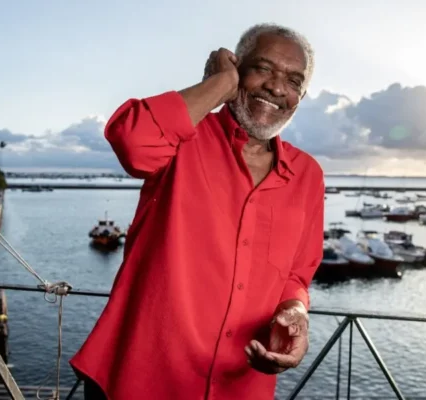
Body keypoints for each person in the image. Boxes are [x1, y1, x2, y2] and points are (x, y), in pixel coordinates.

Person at [70, 23, 325, 400]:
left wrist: (296, 312)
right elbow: (132, 141)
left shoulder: (308, 175)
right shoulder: (183, 139)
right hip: (138, 381)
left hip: (240, 387)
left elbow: (296, 275)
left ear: (299, 97)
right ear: (237, 68)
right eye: (263, 68)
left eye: (293, 80)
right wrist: (219, 85)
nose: (276, 87)